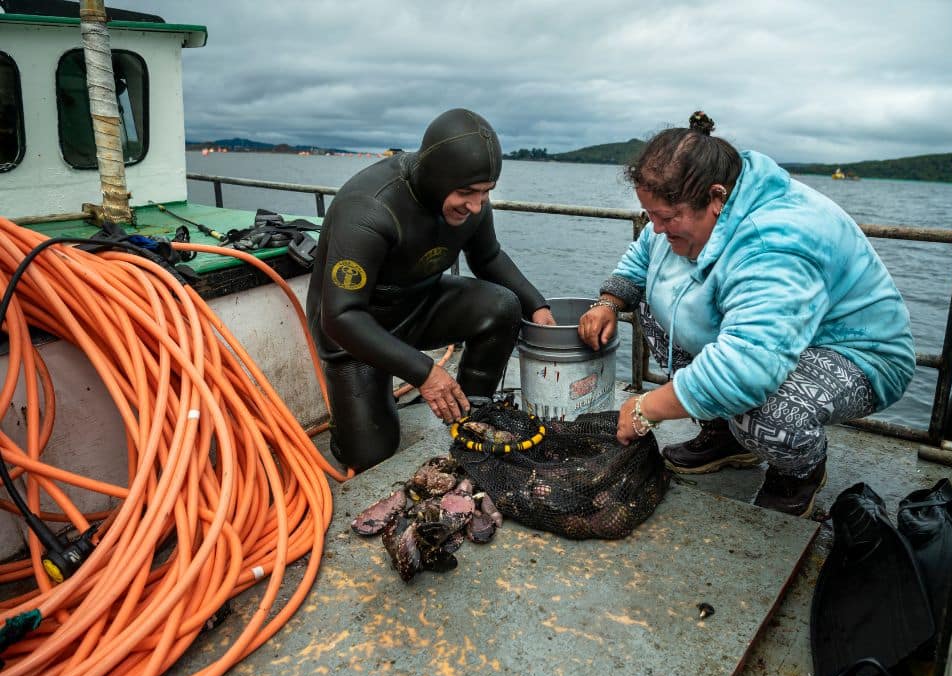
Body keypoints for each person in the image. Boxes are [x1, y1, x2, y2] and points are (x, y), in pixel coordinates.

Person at [578, 111, 915, 517]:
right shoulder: (689, 212)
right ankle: (726, 435)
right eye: (651, 216)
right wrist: (609, 302)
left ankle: (799, 471)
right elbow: (645, 254)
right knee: (651, 301)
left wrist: (646, 408)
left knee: (766, 408)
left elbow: (748, 368)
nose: (657, 228)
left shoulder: (774, 242)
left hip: (858, 352)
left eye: (667, 219)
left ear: (716, 197)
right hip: (776, 338)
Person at [307, 108, 555, 472]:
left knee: (504, 305)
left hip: (417, 305)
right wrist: (425, 372)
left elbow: (488, 257)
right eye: (467, 193)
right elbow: (339, 315)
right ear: (437, 178)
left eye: (486, 193)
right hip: (356, 333)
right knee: (371, 456)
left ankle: (472, 414)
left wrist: (537, 306)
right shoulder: (368, 209)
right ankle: (355, 416)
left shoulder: (473, 201)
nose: (476, 205)